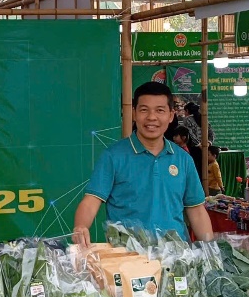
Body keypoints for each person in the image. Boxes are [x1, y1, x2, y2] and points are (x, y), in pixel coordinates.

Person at [73, 82, 213, 245]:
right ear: (134, 113)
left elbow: (196, 210)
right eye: (144, 110)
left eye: (160, 110)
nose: (151, 117)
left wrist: (211, 252)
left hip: (176, 256)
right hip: (127, 257)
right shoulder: (113, 156)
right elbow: (91, 201)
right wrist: (80, 227)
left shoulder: (183, 159)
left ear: (171, 115)